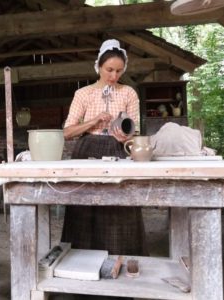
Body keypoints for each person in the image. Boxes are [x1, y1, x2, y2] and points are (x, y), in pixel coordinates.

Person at [60, 39, 148, 299]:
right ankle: (81, 277)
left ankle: (123, 276)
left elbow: (136, 133)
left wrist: (125, 138)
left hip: (119, 153)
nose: (114, 75)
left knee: (120, 210)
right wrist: (94, 121)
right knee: (84, 211)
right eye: (109, 69)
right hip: (86, 152)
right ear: (98, 66)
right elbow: (67, 132)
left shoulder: (129, 93)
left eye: (119, 71)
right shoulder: (83, 94)